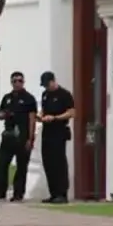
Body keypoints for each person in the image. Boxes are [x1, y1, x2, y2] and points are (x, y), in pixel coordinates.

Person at [0, 71, 37, 201]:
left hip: (22, 136)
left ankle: (18, 193)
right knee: (2, 164)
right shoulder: (7, 98)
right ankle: (0, 191)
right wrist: (5, 114)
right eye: (15, 81)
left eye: (20, 81)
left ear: (23, 82)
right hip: (8, 135)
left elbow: (32, 119)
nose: (17, 83)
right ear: (11, 83)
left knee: (21, 166)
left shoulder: (29, 98)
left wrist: (30, 138)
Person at [38, 70, 75, 204]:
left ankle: (62, 193)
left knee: (59, 162)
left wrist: (55, 118)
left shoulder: (64, 94)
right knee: (48, 162)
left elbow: (71, 112)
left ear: (53, 81)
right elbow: (43, 109)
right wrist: (40, 116)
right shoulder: (45, 95)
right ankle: (53, 193)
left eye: (47, 84)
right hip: (47, 131)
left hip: (59, 130)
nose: (46, 87)